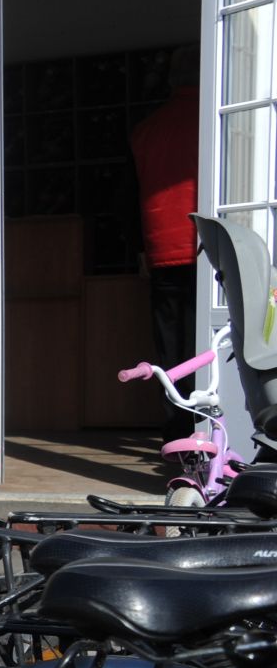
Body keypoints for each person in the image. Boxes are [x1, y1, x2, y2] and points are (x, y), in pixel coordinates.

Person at [131, 44, 202, 445]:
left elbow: (131, 195)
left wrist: (139, 249)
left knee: (170, 349)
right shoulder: (215, 118)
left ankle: (175, 433)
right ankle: (206, 432)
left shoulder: (146, 130)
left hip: (161, 250)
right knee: (208, 346)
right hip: (206, 249)